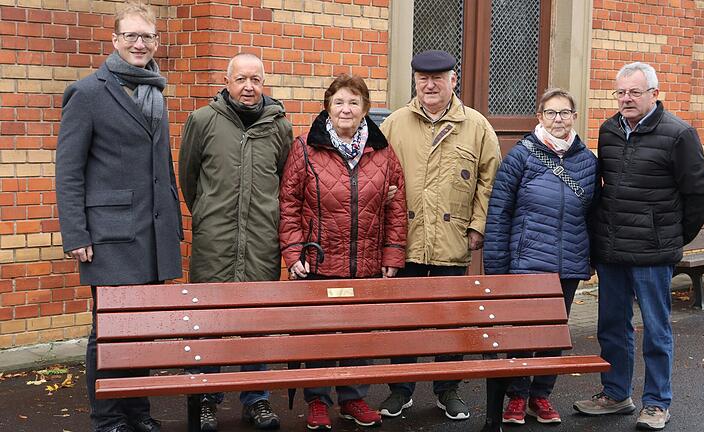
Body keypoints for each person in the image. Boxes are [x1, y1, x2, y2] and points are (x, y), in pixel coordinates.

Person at [55, 3, 182, 432]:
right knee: (109, 332)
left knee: (141, 331)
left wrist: (173, 226)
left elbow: (162, 163)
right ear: (115, 40)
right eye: (131, 36)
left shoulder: (156, 91)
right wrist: (76, 232)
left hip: (151, 232)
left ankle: (136, 411)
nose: (139, 43)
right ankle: (108, 418)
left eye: (147, 36)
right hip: (108, 236)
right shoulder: (88, 93)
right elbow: (69, 170)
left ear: (156, 42)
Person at [573, 62, 704, 431]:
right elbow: (604, 189)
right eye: (620, 92)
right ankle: (616, 394)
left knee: (655, 328)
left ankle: (656, 403)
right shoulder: (608, 130)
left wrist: (673, 238)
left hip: (653, 252)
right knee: (611, 326)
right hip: (612, 249)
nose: (626, 99)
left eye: (634, 92)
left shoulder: (679, 134)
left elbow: (698, 194)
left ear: (654, 93)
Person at [279, 73, 407, 430]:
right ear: (327, 107)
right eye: (339, 102)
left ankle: (352, 398)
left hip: (365, 262)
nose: (346, 109)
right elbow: (288, 204)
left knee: (357, 334)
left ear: (365, 108)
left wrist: (392, 256)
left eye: (354, 102)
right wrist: (293, 254)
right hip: (318, 261)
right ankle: (318, 400)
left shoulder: (382, 151)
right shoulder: (305, 147)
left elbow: (396, 208)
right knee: (317, 335)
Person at [378, 50, 501, 421]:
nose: (429, 85)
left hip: (452, 239)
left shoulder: (476, 126)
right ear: (415, 81)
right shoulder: (395, 124)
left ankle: (449, 389)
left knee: (452, 319)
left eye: (438, 78)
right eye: (422, 78)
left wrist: (478, 225)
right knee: (404, 318)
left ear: (453, 80)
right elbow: (375, 176)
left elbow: (489, 180)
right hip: (406, 239)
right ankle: (401, 388)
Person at [178, 53, 292, 431]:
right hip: (215, 241)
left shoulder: (278, 126)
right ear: (226, 82)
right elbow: (189, 179)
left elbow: (285, 180)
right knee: (209, 321)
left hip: (261, 239)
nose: (249, 87)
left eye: (256, 79)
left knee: (255, 322)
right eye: (241, 79)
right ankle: (207, 398)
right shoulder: (203, 121)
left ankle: (255, 400)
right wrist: (209, 214)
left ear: (264, 82)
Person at [482, 88, 598, 427]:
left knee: (554, 336)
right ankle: (516, 395)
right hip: (527, 263)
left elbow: (593, 215)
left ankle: (540, 396)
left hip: (568, 265)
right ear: (540, 117)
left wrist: (589, 259)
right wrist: (497, 268)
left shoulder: (588, 162)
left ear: (574, 117)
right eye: (551, 113)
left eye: (564, 113)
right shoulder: (521, 157)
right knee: (522, 334)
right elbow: (499, 213)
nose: (558, 120)